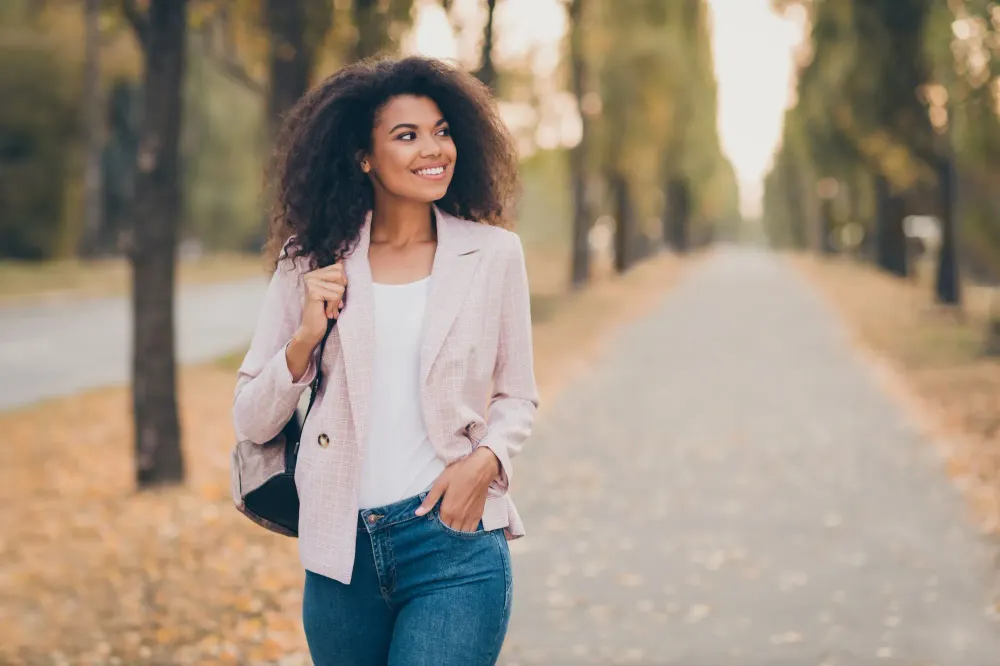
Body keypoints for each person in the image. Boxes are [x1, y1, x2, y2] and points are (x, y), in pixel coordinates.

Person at [232, 55, 539, 666]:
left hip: (452, 546)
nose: (435, 148)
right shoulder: (310, 263)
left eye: (442, 131)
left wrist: (486, 461)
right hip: (339, 555)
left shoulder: (493, 255)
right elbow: (250, 420)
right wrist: (303, 340)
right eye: (408, 135)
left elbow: (517, 395)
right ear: (362, 157)